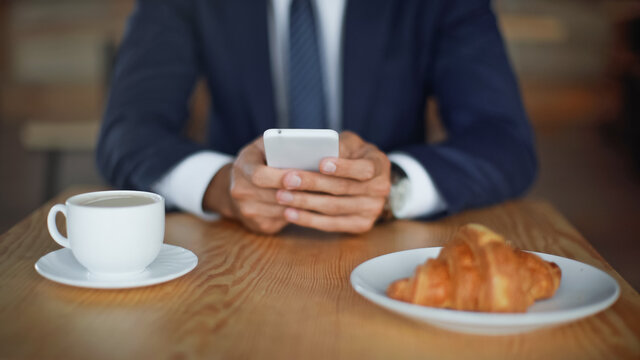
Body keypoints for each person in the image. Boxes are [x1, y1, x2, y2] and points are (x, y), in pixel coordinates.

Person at [96, 0, 537, 234]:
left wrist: (393, 188)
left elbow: (503, 138)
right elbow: (127, 130)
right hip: (235, 257)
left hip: (388, 252)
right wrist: (220, 186)